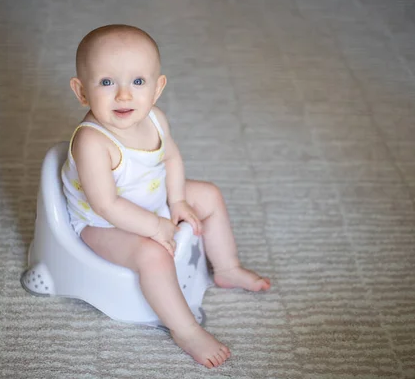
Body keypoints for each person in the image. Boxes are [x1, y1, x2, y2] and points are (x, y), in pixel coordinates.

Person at [61, 24, 270, 368]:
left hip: (150, 198)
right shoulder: (93, 142)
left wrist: (177, 201)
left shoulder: (156, 120)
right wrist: (155, 227)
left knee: (210, 195)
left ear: (157, 88)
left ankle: (227, 268)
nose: (124, 96)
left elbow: (170, 158)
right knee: (153, 255)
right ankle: (185, 329)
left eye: (138, 82)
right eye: (107, 82)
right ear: (81, 91)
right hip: (101, 224)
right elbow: (106, 204)